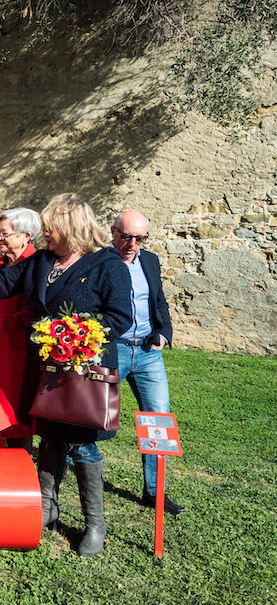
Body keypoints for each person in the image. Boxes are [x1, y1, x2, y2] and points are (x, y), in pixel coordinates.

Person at [0, 193, 132, 556]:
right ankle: (47, 508)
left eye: (50, 227)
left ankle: (94, 524)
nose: (44, 232)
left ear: (70, 227)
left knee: (81, 444)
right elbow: (3, 282)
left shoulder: (107, 264)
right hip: (47, 367)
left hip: (85, 370)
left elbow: (119, 317)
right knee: (49, 436)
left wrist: (75, 334)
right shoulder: (44, 261)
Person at [111, 210, 186, 515]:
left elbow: (159, 301)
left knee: (158, 420)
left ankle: (155, 492)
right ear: (113, 232)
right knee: (93, 415)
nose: (132, 244)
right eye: (126, 236)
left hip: (147, 352)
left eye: (139, 238)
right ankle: (69, 470)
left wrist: (164, 334)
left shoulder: (150, 261)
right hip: (113, 350)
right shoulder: (101, 262)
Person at [0, 208, 41, 448]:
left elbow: (32, 313)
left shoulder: (36, 265)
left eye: (5, 234)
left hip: (22, 351)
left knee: (19, 414)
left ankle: (20, 458)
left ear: (26, 235)